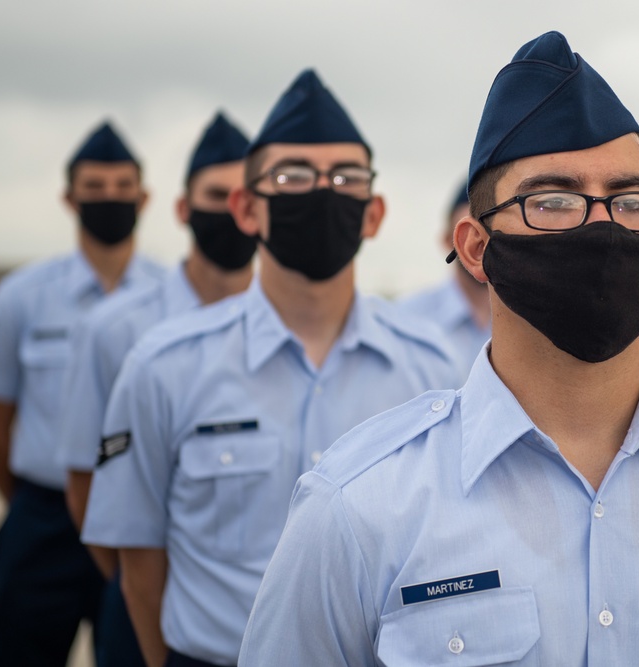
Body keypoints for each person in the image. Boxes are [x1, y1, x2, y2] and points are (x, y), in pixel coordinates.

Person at [238, 32, 639, 666]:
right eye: (553, 201)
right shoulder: (358, 507)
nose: (603, 226)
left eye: (632, 202)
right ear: (475, 248)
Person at [81, 69, 462, 667]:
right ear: (246, 208)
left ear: (373, 212)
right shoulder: (164, 367)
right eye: (293, 176)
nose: (321, 192)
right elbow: (136, 559)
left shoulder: (438, 368)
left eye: (346, 177)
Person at [56, 111, 254, 667]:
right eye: (215, 194)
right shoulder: (116, 329)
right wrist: (137, 582)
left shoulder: (291, 330)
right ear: (183, 209)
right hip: (146, 598)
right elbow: (82, 482)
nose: (231, 211)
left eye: (244, 195)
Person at [0, 121, 163, 666]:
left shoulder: (169, 299)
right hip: (44, 519)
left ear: (144, 196)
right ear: (69, 198)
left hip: (140, 518)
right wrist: (29, 500)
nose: (109, 198)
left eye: (120, 187)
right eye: (94, 188)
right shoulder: (22, 298)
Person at [395, 180, 490, 377]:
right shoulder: (406, 321)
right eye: (468, 234)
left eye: (488, 231)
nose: (476, 245)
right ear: (448, 240)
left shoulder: (532, 321)